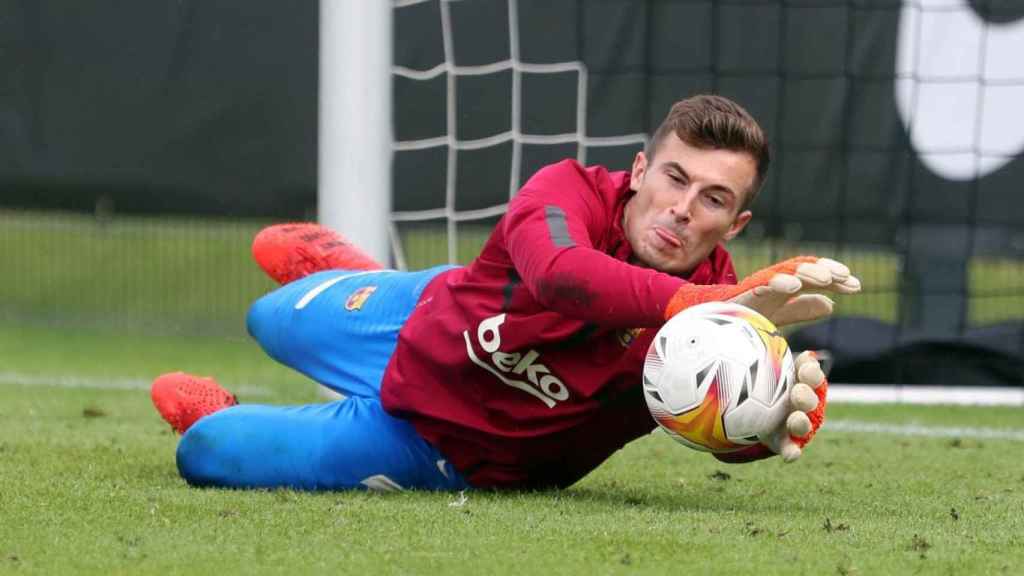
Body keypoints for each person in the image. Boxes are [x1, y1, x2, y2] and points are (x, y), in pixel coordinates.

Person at [151, 94, 861, 491]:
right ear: (641, 169)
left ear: (734, 222)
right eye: (675, 178)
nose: (682, 208)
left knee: (206, 451)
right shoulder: (568, 190)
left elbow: (702, 422)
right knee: (265, 318)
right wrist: (696, 303)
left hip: (442, 446)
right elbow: (558, 273)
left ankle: (232, 408)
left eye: (712, 198)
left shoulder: (726, 322)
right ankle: (350, 274)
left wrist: (765, 426)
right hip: (419, 320)